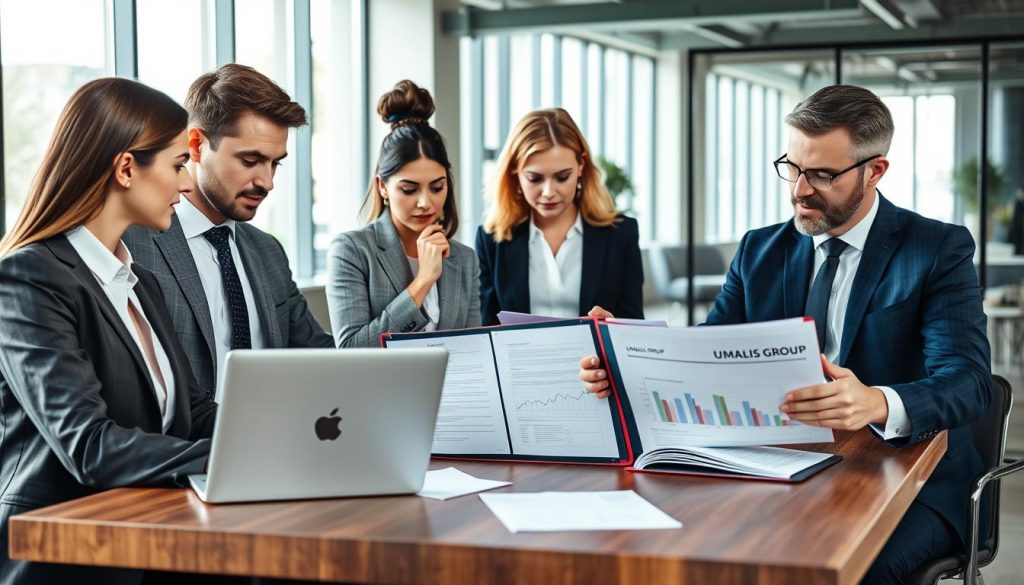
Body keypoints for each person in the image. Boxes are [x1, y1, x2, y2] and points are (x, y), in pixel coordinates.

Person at [579, 85, 992, 584]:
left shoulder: (936, 249)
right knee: (688, 551)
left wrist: (876, 402)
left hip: (905, 476)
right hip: (778, 464)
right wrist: (625, 356)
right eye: (791, 167)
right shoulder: (760, 250)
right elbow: (708, 354)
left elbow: (970, 381)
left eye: (821, 174)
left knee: (841, 571)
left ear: (875, 170)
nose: (798, 189)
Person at [0, 78, 217, 584]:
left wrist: (285, 434)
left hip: (146, 540)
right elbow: (89, 446)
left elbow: (192, 410)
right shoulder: (29, 279)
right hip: (62, 558)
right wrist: (242, 455)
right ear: (126, 169)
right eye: (178, 166)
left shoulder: (141, 283)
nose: (186, 186)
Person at [124, 64, 333, 401]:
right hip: (187, 449)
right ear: (196, 145)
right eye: (250, 160)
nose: (267, 182)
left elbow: (320, 357)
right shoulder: (134, 246)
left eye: (275, 163)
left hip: (274, 441)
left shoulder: (267, 252)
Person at [326, 80, 479, 347]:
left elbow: (474, 350)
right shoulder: (352, 250)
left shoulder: (465, 260)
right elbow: (352, 349)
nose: (425, 202)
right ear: (383, 187)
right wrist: (423, 280)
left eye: (437, 187)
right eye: (409, 189)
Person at [475, 108, 644, 326]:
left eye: (562, 177)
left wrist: (615, 326)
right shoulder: (491, 239)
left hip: (596, 360)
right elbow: (486, 328)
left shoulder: (621, 234)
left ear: (581, 165)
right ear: (515, 171)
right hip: (522, 360)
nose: (548, 192)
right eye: (535, 178)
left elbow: (634, 326)